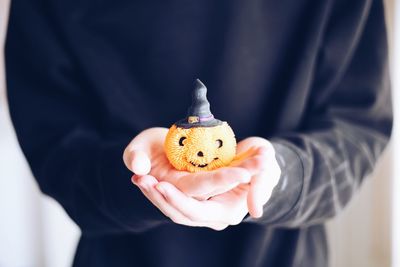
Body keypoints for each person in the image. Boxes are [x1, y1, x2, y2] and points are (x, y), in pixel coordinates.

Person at [5, 0, 392, 266]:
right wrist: (140, 182)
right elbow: (55, 147)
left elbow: (356, 127)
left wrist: (283, 176)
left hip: (286, 255)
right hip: (118, 255)